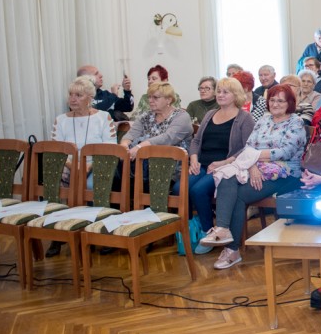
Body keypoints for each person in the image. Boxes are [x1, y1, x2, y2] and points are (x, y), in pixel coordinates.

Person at [200, 84, 308, 269]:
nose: (275, 104)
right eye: (272, 100)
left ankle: (232, 249)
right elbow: (248, 146)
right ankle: (223, 230)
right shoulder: (263, 120)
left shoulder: (295, 122)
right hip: (255, 168)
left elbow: (286, 152)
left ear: (289, 103)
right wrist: (252, 166)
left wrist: (253, 158)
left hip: (285, 174)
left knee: (238, 195)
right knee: (226, 176)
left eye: (280, 101)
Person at [188, 77, 255, 249]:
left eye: (226, 92)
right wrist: (193, 159)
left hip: (225, 167)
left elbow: (248, 148)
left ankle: (208, 232)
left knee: (198, 190)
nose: (220, 95)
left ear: (236, 95)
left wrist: (223, 162)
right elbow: (196, 141)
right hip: (202, 164)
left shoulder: (244, 118)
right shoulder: (210, 114)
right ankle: (191, 229)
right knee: (178, 188)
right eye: (218, 91)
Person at [119, 81, 192, 184]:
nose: (150, 100)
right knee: (117, 162)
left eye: (155, 97)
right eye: (149, 97)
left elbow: (167, 138)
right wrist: (124, 146)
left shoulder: (182, 116)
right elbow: (131, 134)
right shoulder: (146, 116)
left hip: (171, 167)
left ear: (168, 99)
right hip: (143, 166)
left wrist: (140, 147)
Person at [51, 75, 116, 189]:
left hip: (97, 164)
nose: (72, 99)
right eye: (70, 94)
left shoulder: (103, 117)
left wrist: (88, 166)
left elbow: (110, 148)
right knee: (54, 180)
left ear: (90, 98)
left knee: (89, 185)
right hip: (68, 165)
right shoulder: (61, 120)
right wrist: (73, 166)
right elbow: (56, 150)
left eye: (78, 95)